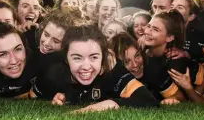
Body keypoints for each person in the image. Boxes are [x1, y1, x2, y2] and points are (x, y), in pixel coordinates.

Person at [30, 25, 159, 112]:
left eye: (94, 57)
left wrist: (104, 105)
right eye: (77, 58)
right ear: (66, 59)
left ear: (103, 57)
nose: (86, 66)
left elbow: (148, 101)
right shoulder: (52, 72)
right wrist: (58, 96)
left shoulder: (113, 69)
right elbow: (32, 98)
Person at [141, 10, 204, 103]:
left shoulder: (175, 61)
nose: (147, 32)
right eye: (148, 26)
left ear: (169, 37)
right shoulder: (140, 52)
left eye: (155, 29)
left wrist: (195, 94)